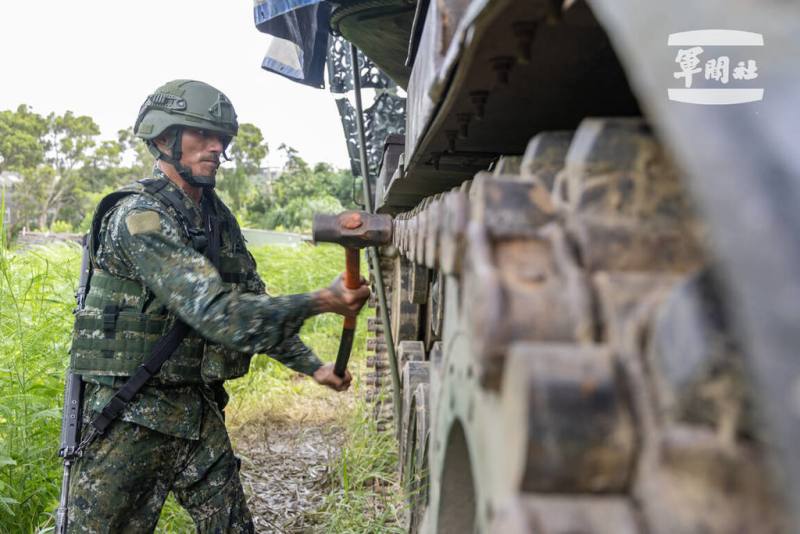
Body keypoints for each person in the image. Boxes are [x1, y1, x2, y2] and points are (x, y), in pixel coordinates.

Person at [63, 79, 369, 532]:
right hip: (128, 417)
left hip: (195, 410)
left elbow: (250, 307)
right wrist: (323, 300)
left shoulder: (214, 217)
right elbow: (216, 312)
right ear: (164, 138)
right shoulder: (138, 218)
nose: (217, 147)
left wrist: (314, 367)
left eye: (222, 138)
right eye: (203, 134)